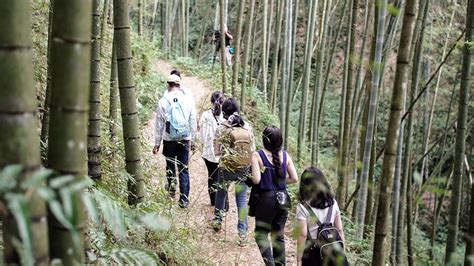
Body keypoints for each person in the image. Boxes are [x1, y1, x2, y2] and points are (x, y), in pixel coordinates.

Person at [249, 126, 298, 266]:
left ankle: (270, 264)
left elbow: (256, 180)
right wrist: (281, 182)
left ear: (265, 140)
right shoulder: (285, 155)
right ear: (280, 140)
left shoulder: (257, 155)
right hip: (283, 199)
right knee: (278, 235)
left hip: (266, 200)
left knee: (261, 233)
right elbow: (294, 178)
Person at [212, 98, 254, 243]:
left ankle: (217, 222)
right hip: (243, 168)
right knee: (241, 200)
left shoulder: (221, 127)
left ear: (224, 111)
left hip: (226, 167)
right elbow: (252, 149)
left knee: (221, 194)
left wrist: (222, 157)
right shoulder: (246, 126)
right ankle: (242, 234)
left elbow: (216, 150)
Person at [153, 74, 197, 208]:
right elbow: (192, 122)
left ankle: (172, 191)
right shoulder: (188, 100)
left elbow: (159, 124)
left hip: (169, 139)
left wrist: (157, 143)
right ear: (179, 85)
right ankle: (184, 199)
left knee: (170, 166)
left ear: (168, 84)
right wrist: (193, 141)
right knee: (183, 168)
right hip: (184, 139)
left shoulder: (163, 101)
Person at [295, 167, 348, 266]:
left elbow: (303, 235)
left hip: (313, 254)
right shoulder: (333, 202)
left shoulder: (302, 207)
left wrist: (299, 259)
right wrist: (342, 251)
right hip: (334, 250)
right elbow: (339, 229)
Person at [199, 91, 228, 210]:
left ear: (211, 102)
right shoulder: (226, 117)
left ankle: (213, 201)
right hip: (222, 153)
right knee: (222, 178)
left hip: (208, 152)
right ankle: (222, 203)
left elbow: (201, 135)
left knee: (211, 176)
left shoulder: (205, 115)